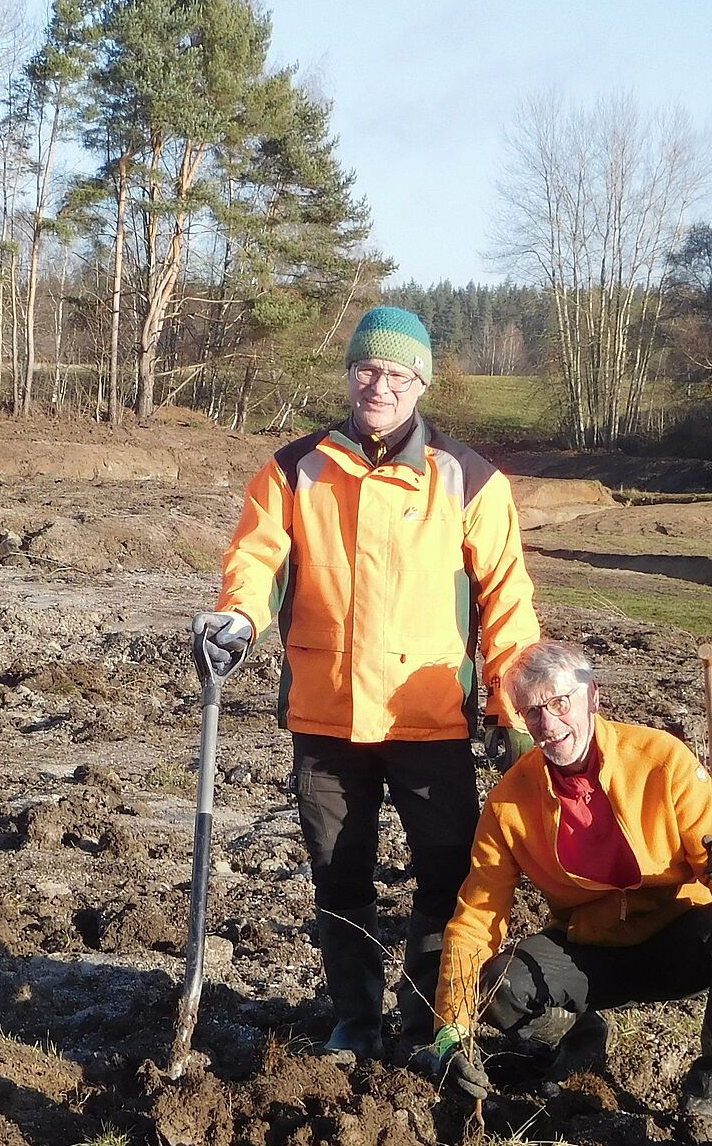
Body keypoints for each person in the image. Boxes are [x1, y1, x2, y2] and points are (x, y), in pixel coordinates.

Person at [199, 305, 541, 1060]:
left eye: (394, 373)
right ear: (349, 374)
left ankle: (426, 1022)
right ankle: (355, 1021)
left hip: (431, 721)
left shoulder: (470, 480)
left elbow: (508, 602)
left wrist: (512, 706)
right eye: (366, 369)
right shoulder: (295, 469)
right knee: (339, 878)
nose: (377, 385)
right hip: (327, 719)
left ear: (421, 382)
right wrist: (238, 620)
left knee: (447, 879)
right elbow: (256, 561)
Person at [410, 640, 712, 1136]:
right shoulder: (509, 803)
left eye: (559, 702)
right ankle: (577, 1032)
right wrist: (450, 1027)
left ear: (592, 697)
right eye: (531, 711)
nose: (548, 723)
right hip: (595, 951)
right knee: (499, 987)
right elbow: (476, 918)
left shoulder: (661, 761)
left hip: (679, 938)